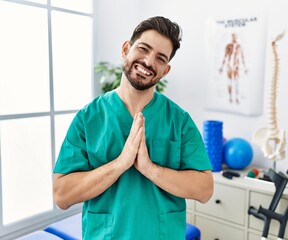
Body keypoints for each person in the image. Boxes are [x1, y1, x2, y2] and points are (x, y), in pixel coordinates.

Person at [53, 16, 214, 240]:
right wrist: (120, 164)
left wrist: (150, 169)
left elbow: (204, 190)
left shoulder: (179, 121)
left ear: (165, 71)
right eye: (143, 48)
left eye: (160, 58)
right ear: (126, 48)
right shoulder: (88, 118)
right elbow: (62, 195)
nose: (148, 62)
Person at [219, 33, 248, 104]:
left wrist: (245, 68)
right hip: (229, 66)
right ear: (232, 37)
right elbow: (225, 56)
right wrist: (221, 67)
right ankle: (230, 97)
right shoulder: (228, 46)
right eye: (233, 37)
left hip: (236, 66)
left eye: (235, 37)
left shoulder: (239, 46)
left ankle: (236, 97)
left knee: (236, 83)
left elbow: (242, 57)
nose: (234, 38)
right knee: (229, 82)